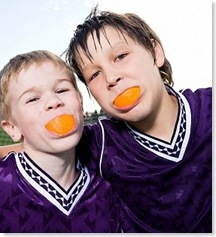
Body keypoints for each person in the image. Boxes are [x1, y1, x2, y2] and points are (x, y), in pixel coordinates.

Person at [64, 7, 212, 233]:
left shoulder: (209, 106)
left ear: (155, 53)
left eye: (121, 57)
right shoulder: (99, 144)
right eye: (94, 74)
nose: (111, 78)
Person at [0, 50, 132, 233]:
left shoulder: (107, 190)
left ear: (80, 103)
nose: (54, 101)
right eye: (33, 99)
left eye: (61, 90)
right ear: (13, 128)